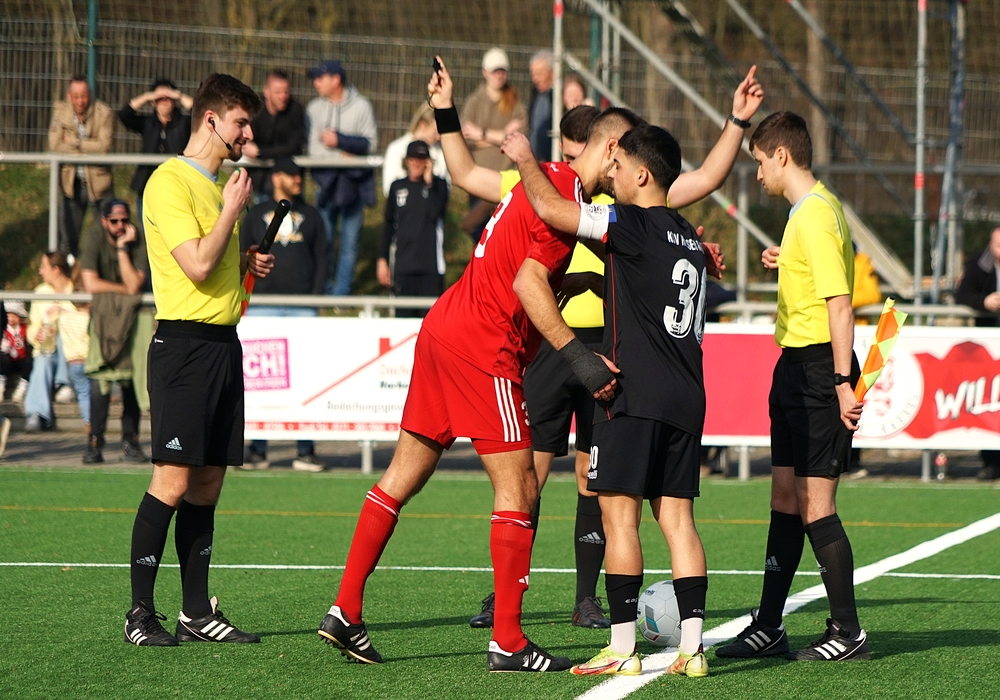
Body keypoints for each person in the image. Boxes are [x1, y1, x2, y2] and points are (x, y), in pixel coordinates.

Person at [313, 57, 639, 673]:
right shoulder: (560, 197)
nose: (630, 178)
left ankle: (345, 609)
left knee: (401, 477)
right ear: (611, 152)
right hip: (483, 347)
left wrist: (445, 110)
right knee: (519, 488)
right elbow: (528, 283)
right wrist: (580, 359)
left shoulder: (542, 182)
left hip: (444, 327)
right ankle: (508, 640)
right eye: (630, 163)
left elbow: (517, 253)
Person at [443, 68, 762, 630]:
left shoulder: (624, 209)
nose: (584, 168)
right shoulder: (568, 187)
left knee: (603, 490)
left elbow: (705, 179)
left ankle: (596, 611)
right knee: (530, 477)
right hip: (569, 350)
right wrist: (447, 112)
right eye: (570, 154)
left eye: (588, 155)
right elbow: (467, 173)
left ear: (617, 155)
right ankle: (508, 595)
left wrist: (736, 122)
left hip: (615, 360)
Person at [506, 123, 712, 678]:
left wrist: (525, 158)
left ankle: (622, 648)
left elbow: (551, 209)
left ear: (642, 175)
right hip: (687, 396)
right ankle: (692, 651)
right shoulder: (688, 235)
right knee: (679, 522)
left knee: (619, 519)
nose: (610, 175)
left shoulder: (631, 223)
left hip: (634, 394)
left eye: (618, 167)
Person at [123, 73, 273, 647]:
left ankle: (194, 612)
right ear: (211, 120)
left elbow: (218, 275)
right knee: (173, 479)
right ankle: (140, 614)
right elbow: (196, 265)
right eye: (241, 123)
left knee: (208, 482)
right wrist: (232, 212)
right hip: (182, 348)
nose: (248, 135)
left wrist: (248, 265)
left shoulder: (216, 187)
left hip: (221, 347)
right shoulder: (170, 181)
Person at [715, 111, 869, 662]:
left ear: (781, 155)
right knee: (784, 496)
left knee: (815, 503)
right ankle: (769, 626)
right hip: (793, 366)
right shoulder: (805, 214)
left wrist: (843, 382)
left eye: (760, 162)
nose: (758, 173)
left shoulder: (816, 214)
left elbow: (840, 305)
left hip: (819, 372)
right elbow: (819, 275)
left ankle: (848, 632)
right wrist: (789, 262)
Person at [240, 156, 327, 472]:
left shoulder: (312, 215)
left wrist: (314, 299)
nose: (297, 179)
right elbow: (242, 255)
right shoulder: (255, 215)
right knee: (263, 380)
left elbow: (322, 258)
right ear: (276, 177)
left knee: (305, 378)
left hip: (302, 307)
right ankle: (258, 448)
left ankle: (305, 449)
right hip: (262, 304)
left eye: (299, 174)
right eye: (291, 175)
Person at [80, 199, 149, 464]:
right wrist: (124, 292)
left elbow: (134, 284)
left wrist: (122, 249)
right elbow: (90, 283)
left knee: (131, 380)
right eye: (114, 221)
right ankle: (94, 443)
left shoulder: (136, 239)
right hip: (103, 317)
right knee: (100, 380)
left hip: (135, 318)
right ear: (104, 221)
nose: (120, 226)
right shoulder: (94, 237)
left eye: (124, 220)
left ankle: (130, 443)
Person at [305, 59, 378, 296]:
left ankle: (341, 295)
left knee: (350, 244)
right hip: (325, 184)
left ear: (336, 79)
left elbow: (370, 144)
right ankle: (323, 290)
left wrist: (339, 140)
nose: (316, 83)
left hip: (354, 186)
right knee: (323, 241)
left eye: (320, 78)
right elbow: (314, 150)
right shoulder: (314, 109)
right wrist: (343, 154)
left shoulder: (362, 106)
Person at [460, 47, 529, 243]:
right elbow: (465, 137)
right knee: (479, 232)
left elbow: (521, 136)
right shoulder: (474, 102)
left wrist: (482, 134)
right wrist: (503, 135)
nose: (499, 75)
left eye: (502, 71)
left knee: (504, 235)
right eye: (494, 71)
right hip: (479, 177)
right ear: (485, 72)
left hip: (506, 178)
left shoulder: (515, 103)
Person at [378, 140, 449, 318]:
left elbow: (436, 212)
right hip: (404, 266)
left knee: (430, 322)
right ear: (406, 161)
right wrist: (382, 259)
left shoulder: (439, 186)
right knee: (403, 321)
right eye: (413, 159)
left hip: (430, 268)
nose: (416, 163)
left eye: (421, 159)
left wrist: (429, 183)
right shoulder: (397, 187)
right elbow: (389, 225)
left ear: (428, 162)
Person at [47, 75, 115, 257]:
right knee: (67, 239)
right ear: (68, 96)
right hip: (71, 185)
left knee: (108, 236)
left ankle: (103, 271)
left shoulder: (104, 112)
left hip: (100, 185)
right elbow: (55, 145)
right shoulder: (60, 113)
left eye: (84, 96)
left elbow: (104, 147)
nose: (80, 101)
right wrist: (88, 147)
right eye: (76, 96)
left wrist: (74, 142)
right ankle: (68, 271)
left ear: (90, 94)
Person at [956, 226, 1000, 480]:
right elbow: (962, 294)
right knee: (989, 403)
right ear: (991, 246)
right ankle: (991, 462)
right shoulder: (978, 264)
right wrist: (984, 302)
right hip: (988, 347)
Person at [119, 78, 193, 221]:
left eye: (168, 97)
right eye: (159, 98)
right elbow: (124, 115)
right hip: (147, 186)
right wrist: (147, 96)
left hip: (178, 186)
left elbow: (202, 115)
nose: (164, 101)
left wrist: (180, 96)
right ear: (153, 102)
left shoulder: (184, 123)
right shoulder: (147, 123)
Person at [24, 252, 76, 432]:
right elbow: (32, 326)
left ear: (56, 270)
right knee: (42, 362)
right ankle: (35, 413)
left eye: (44, 267)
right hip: (47, 348)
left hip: (73, 348)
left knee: (63, 336)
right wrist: (36, 335)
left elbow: (83, 316)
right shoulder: (40, 292)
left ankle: (64, 383)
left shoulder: (75, 289)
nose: (40, 271)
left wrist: (61, 310)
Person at [244, 69, 306, 199]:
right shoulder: (254, 110)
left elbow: (294, 146)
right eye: (278, 92)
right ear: (266, 92)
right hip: (259, 181)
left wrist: (260, 152)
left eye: (286, 91)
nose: (283, 96)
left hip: (289, 181)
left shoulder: (296, 110)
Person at [382, 103, 450, 197]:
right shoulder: (396, 149)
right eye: (435, 132)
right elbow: (389, 189)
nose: (438, 137)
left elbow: (446, 188)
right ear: (422, 124)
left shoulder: (440, 152)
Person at [1, 301, 32, 403]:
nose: (11, 319)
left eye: (14, 316)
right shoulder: (3, 329)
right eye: (8, 316)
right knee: (3, 360)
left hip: (21, 358)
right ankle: (1, 386)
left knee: (28, 362)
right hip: (7, 359)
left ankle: (22, 388)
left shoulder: (24, 328)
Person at [528, 51, 554, 160]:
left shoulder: (559, 98)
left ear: (552, 72)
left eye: (539, 74)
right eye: (533, 74)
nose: (535, 79)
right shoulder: (535, 94)